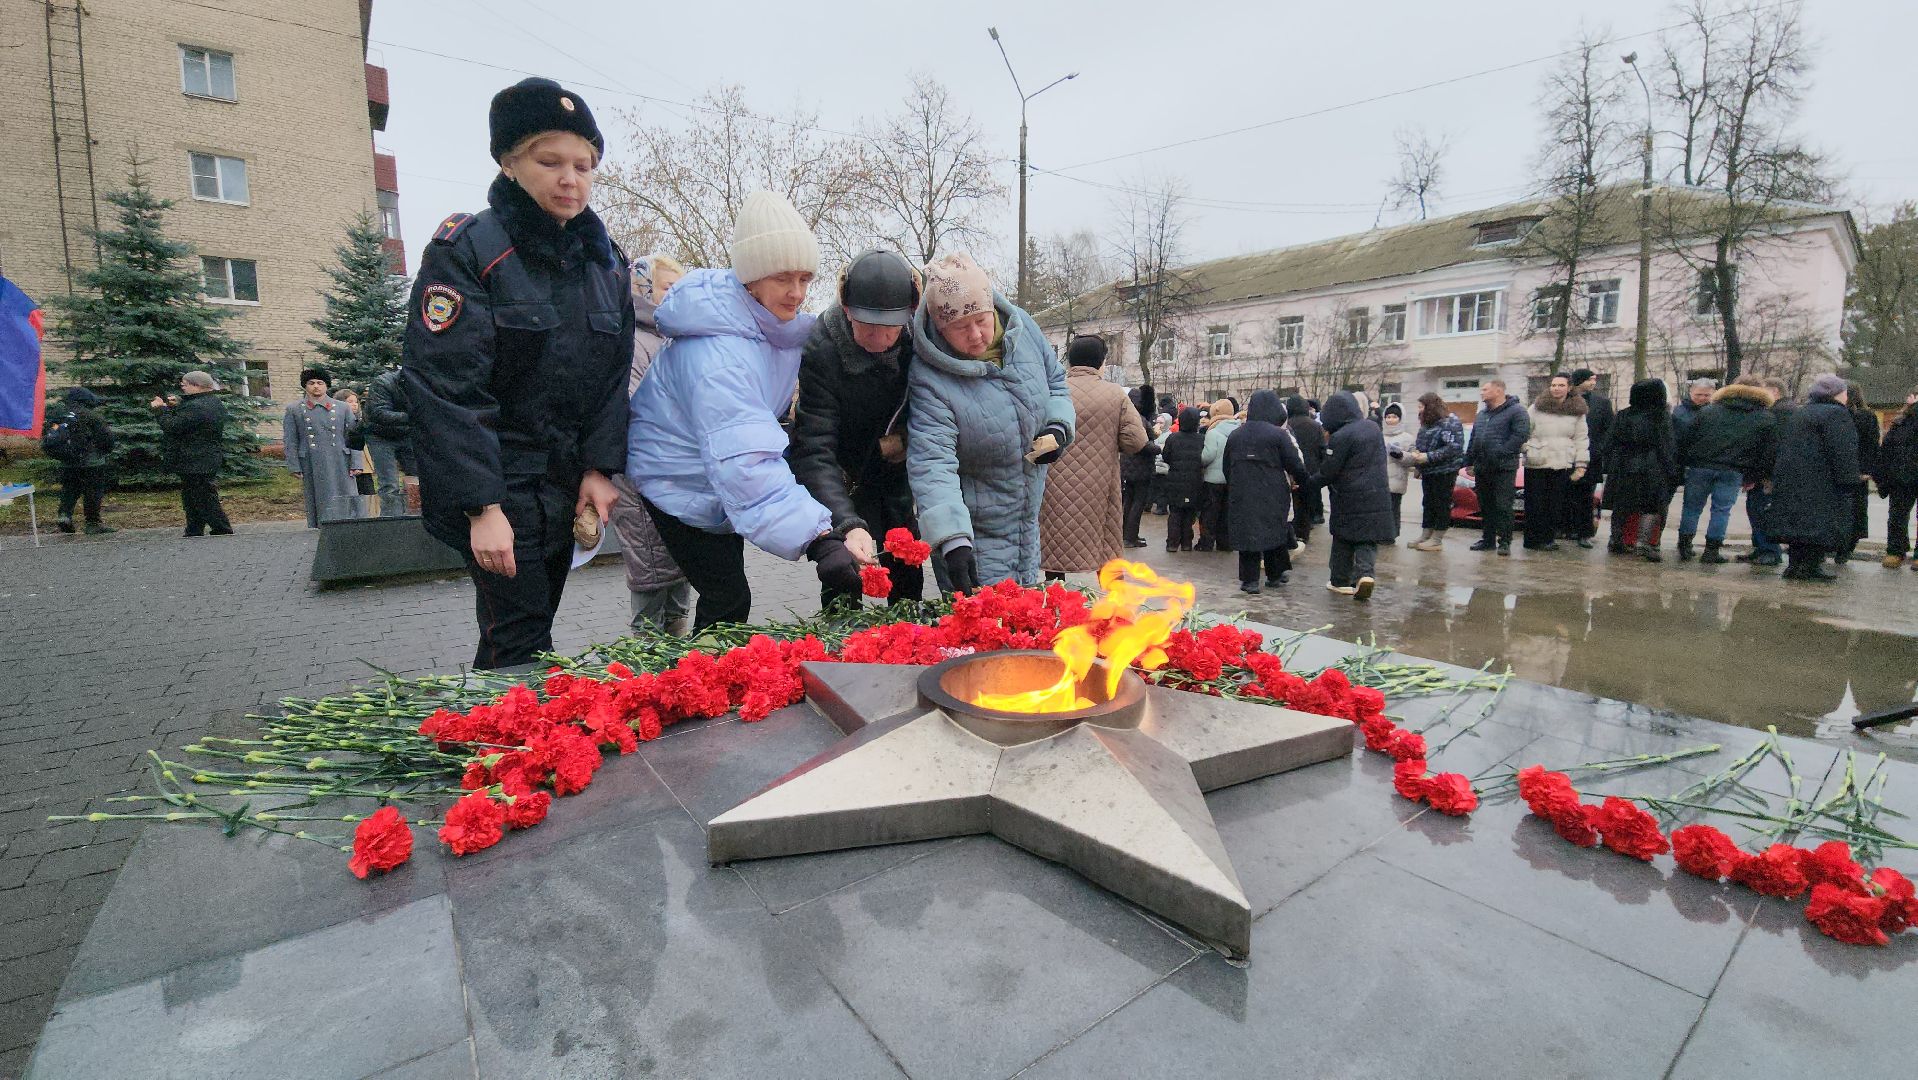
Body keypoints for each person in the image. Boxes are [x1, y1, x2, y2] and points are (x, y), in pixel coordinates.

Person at [403, 78, 634, 667]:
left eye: (584, 165)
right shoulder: (470, 249)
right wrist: (482, 508)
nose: (569, 178)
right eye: (548, 160)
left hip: (562, 485)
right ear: (508, 162)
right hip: (499, 482)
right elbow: (448, 389)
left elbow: (612, 376)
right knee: (520, 639)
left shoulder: (605, 264)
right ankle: (509, 748)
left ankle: (504, 742)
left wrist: (599, 468)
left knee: (526, 630)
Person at [630, 192, 867, 627]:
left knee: (727, 594)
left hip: (711, 477)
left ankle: (708, 675)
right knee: (727, 596)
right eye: (783, 279)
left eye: (805, 278)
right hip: (676, 480)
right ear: (751, 277)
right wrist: (820, 540)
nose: (797, 293)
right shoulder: (718, 356)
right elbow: (746, 460)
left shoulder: (767, 330)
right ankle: (700, 686)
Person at [906, 252, 1075, 591]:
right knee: (986, 635)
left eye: (981, 321)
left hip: (1027, 519)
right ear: (940, 327)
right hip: (974, 537)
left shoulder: (1025, 331)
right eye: (959, 327)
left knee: (1025, 625)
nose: (976, 336)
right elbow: (932, 462)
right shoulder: (929, 378)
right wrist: (951, 537)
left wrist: (1057, 427)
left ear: (993, 308)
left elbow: (1056, 381)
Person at [791, 247, 925, 607]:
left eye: (891, 328)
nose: (881, 340)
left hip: (895, 474)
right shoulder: (823, 346)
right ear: (847, 309)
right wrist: (847, 524)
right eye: (868, 328)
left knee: (908, 573)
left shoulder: (919, 337)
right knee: (844, 574)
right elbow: (814, 447)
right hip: (844, 475)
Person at [607, 253, 692, 633]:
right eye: (668, 288)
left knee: (678, 580)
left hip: (677, 476)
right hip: (644, 481)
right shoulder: (633, 342)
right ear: (642, 289)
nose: (677, 297)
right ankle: (647, 673)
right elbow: (634, 411)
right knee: (651, 576)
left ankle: (680, 669)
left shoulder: (674, 340)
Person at [1039, 335, 1147, 578]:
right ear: (1101, 362)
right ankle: (1114, 610)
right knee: (1106, 546)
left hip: (1053, 483)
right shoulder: (1116, 394)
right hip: (1099, 484)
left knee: (1055, 544)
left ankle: (1057, 604)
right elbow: (1137, 440)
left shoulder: (1052, 391)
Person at [1767, 373, 1862, 582]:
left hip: (1794, 477)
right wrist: (1849, 478)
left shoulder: (1802, 413)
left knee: (1798, 523)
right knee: (1819, 523)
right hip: (1822, 480)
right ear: (1838, 394)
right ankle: (1811, 566)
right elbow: (1842, 450)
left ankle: (1794, 565)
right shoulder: (1836, 414)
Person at [1674, 379, 1776, 564]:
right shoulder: (1765, 417)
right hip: (1733, 470)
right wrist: (1752, 476)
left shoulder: (1708, 411)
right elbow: (1765, 452)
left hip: (1700, 467)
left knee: (1691, 507)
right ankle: (1711, 551)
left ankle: (1685, 546)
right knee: (1721, 510)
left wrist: (1687, 462)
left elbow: (1687, 439)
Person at [1225, 391, 1312, 592]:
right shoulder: (1279, 435)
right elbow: (1294, 464)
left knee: (1248, 534)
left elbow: (1226, 466)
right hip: (1272, 491)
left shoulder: (1236, 435)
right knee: (1273, 532)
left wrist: (1235, 485)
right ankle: (1274, 575)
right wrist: (1304, 482)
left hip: (1242, 492)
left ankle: (1250, 581)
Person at [1316, 391, 1393, 600]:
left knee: (1343, 537)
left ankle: (1339, 581)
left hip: (1349, 496)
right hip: (1377, 493)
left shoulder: (1341, 437)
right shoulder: (1372, 428)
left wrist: (1307, 482)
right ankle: (1365, 575)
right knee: (1367, 538)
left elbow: (1328, 472)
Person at [1600, 379, 1679, 561]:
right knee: (1651, 506)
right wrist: (1671, 470)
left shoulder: (1623, 415)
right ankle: (1644, 544)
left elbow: (1609, 442)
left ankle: (1616, 539)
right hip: (1652, 465)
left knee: (1622, 504)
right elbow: (1666, 445)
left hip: (1623, 464)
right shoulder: (1661, 416)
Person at [151, 370, 231, 536]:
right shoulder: (211, 402)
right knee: (192, 496)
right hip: (202, 457)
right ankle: (194, 529)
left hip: (195, 458)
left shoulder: (197, 407)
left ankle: (221, 527)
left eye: (185, 385)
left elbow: (173, 426)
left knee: (202, 496)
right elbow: (191, 420)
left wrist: (160, 409)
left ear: (197, 386)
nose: (183, 388)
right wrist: (178, 405)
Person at [1520, 373, 1589, 551]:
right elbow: (1524, 430)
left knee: (1555, 503)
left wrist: (1581, 464)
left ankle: (1548, 538)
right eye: (1553, 385)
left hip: (1562, 462)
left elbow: (1581, 439)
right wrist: (1526, 448)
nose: (1556, 388)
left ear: (1569, 387)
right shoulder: (1536, 407)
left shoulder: (1578, 411)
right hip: (1537, 460)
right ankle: (1532, 540)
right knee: (1534, 503)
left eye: (1561, 385)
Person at [283, 368, 356, 528]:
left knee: (346, 495)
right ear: (305, 386)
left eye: (320, 383)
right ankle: (320, 527)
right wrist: (294, 465)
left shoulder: (343, 407)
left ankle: (349, 525)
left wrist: (356, 463)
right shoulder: (294, 409)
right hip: (311, 460)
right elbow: (290, 440)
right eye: (311, 383)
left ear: (326, 385)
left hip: (340, 459)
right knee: (318, 498)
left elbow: (354, 437)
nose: (316, 386)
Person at [1464, 379, 1530, 555]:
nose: (1482, 392)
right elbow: (1474, 439)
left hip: (1503, 467)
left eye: (1485, 389)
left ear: (1498, 390)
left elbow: (1520, 435)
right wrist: (1469, 461)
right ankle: (1488, 539)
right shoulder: (1482, 414)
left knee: (1502, 505)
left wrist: (1501, 452)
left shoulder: (1517, 411)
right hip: (1482, 466)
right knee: (1485, 505)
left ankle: (1505, 541)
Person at [1737, 375, 1796, 566]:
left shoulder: (1778, 413)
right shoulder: (1784, 411)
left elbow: (1772, 447)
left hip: (1768, 474)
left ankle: (1769, 550)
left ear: (1774, 392)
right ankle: (1761, 547)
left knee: (1760, 510)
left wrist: (1763, 475)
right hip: (1770, 471)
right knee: (1756, 508)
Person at [1405, 392, 1464, 551]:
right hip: (1428, 471)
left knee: (1441, 503)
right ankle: (1426, 534)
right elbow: (1420, 443)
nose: (1419, 410)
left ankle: (1437, 539)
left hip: (1445, 470)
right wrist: (1417, 458)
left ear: (1430, 406)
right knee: (1428, 503)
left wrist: (1428, 457)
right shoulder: (1426, 424)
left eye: (1421, 406)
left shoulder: (1449, 422)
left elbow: (1453, 447)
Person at [50, 386, 114, 534]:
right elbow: (107, 439)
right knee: (93, 492)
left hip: (68, 462)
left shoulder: (61, 415)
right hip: (92, 462)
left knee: (70, 489)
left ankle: (64, 516)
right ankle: (93, 523)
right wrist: (103, 452)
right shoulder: (91, 416)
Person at [1567, 368, 1613, 547]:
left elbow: (1609, 429)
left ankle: (1584, 533)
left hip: (1590, 457)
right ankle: (1565, 528)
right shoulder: (1565, 400)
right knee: (1565, 494)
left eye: (1595, 379)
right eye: (1590, 379)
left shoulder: (1602, 403)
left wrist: (1599, 449)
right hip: (1566, 455)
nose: (1593, 382)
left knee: (1586, 497)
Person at [1836, 381, 1881, 563]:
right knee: (1854, 510)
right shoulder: (1866, 416)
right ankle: (1845, 548)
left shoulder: (1847, 415)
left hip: (1847, 469)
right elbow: (1873, 446)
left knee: (1846, 508)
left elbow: (1870, 445)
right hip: (1855, 470)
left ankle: (1841, 546)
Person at [1875, 385, 1918, 569]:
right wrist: (1884, 477)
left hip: (1904, 475)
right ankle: (1895, 550)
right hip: (1902, 476)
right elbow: (1887, 451)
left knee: (1897, 516)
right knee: (1897, 517)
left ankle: (1901, 552)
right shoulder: (1900, 422)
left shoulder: (1903, 421)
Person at [364, 367, 412, 517]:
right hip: (380, 436)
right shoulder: (383, 383)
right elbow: (379, 412)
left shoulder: (423, 383)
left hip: (406, 434)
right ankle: (391, 520)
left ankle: (414, 518)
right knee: (389, 483)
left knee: (415, 479)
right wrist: (414, 416)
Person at [1119, 384, 1160, 547]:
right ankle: (1131, 537)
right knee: (1138, 502)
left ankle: (1125, 534)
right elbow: (1143, 444)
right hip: (1141, 467)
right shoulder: (1139, 420)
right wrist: (1158, 448)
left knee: (1128, 501)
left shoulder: (1124, 417)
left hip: (1127, 465)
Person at [1160, 406, 1205, 551]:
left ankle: (1172, 543)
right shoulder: (1201, 439)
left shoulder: (1173, 438)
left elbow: (1166, 456)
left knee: (1175, 512)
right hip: (1194, 481)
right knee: (1189, 513)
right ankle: (1186, 543)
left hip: (1175, 481)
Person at [1197, 397, 1239, 551]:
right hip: (1232, 478)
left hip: (1213, 480)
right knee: (1226, 512)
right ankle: (1225, 543)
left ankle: (1206, 543)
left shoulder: (1213, 432)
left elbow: (1207, 456)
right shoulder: (1239, 430)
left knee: (1210, 512)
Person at [1285, 393, 1327, 541]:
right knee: (1306, 502)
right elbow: (1323, 449)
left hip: (1292, 469)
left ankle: (1293, 532)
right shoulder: (1315, 426)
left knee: (1293, 503)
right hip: (1311, 470)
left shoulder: (1287, 425)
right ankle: (1305, 531)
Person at [1380, 402, 1415, 534]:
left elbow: (1413, 458)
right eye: (1388, 417)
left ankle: (1392, 533)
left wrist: (1401, 455)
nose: (1390, 420)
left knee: (1393, 507)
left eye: (1394, 417)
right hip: (1380, 478)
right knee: (1381, 508)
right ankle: (1381, 532)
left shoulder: (1407, 438)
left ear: (1400, 418)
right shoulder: (1379, 435)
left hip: (1397, 479)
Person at [1671, 377, 1716, 444]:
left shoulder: (1718, 412)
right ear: (1690, 393)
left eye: (1707, 395)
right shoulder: (1678, 413)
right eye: (1698, 394)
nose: (1702, 398)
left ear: (1714, 394)